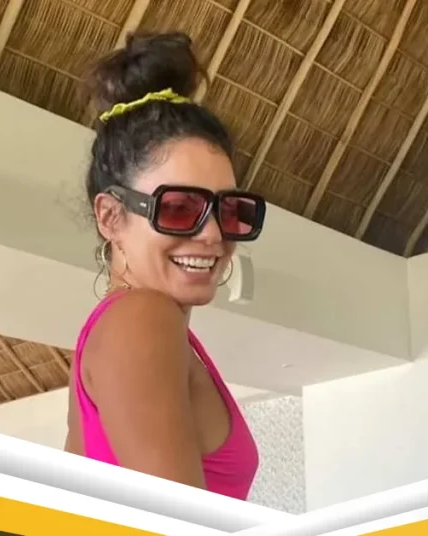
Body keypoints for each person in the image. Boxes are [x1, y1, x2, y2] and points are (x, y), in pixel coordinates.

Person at [63, 31, 266, 501]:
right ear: (111, 216)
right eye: (178, 208)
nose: (212, 234)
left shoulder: (143, 329)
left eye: (230, 210)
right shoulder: (141, 319)